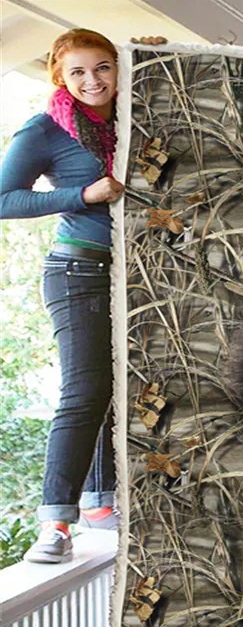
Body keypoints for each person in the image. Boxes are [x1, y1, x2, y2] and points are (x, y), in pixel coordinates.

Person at [0, 29, 124, 563]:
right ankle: (54, 524)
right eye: (78, 72)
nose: (92, 80)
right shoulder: (46, 128)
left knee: (115, 389)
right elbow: (3, 198)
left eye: (102, 67)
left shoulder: (139, 119)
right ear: (60, 78)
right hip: (78, 270)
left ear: (119, 68)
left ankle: (100, 502)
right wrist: (81, 194)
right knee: (84, 390)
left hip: (131, 275)